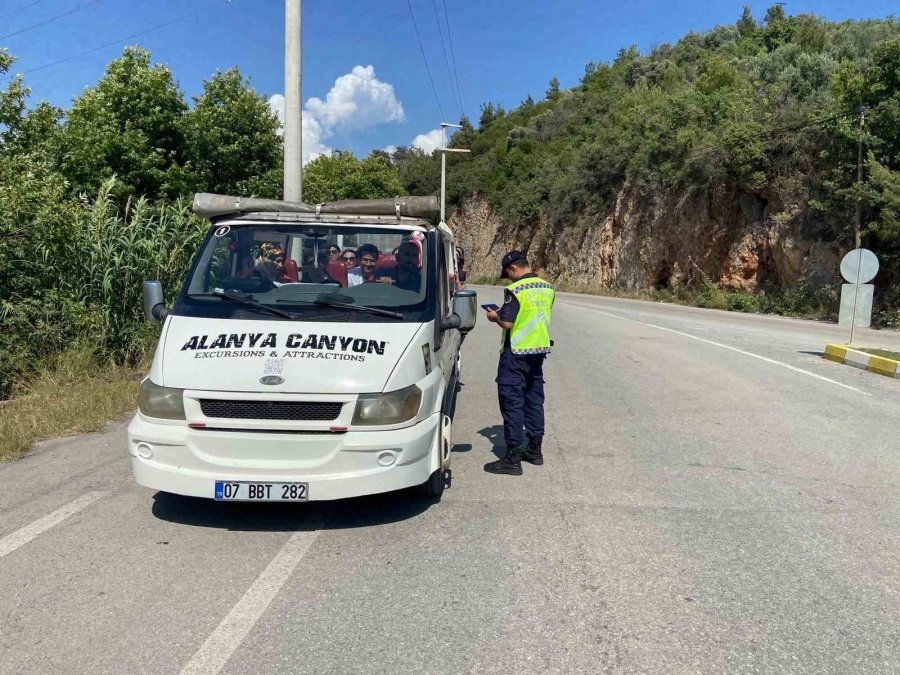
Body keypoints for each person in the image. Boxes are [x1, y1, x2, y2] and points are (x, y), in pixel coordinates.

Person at [483, 250, 555, 476]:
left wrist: (494, 316)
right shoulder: (548, 288)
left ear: (513, 269)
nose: (509, 278)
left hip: (515, 354)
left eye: (508, 273)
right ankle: (535, 450)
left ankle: (512, 457)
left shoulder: (515, 290)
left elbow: (507, 323)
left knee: (512, 402)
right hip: (538, 352)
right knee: (534, 401)